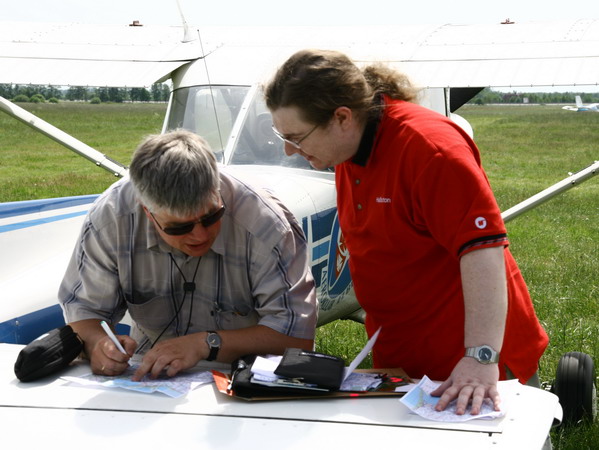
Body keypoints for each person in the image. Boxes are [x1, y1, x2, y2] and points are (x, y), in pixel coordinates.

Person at [264, 49, 548, 415]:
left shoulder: (432, 150)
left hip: (473, 364)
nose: (289, 150)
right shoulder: (346, 150)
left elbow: (484, 252)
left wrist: (479, 359)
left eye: (297, 137)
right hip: (404, 358)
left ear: (342, 118)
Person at [58, 129, 317, 381]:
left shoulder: (264, 224)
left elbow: (296, 337)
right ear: (148, 213)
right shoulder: (112, 218)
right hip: (151, 374)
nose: (200, 236)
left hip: (243, 378)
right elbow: (84, 313)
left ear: (217, 190)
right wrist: (100, 345)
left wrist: (206, 344)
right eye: (180, 227)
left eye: (212, 216)